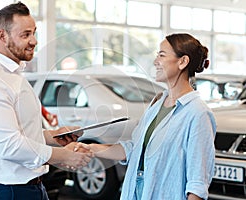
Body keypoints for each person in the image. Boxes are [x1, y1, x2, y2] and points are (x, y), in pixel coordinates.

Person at [0, 2, 92, 200]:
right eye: (25, 35)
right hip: (4, 190)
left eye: (34, 33)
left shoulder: (12, 74)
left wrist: (51, 135)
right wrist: (63, 156)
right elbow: (9, 145)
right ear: (2, 36)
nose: (34, 41)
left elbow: (16, 130)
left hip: (26, 187)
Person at [87, 33, 216, 200]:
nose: (156, 62)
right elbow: (134, 149)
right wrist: (91, 149)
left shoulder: (198, 113)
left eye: (162, 55)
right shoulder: (157, 104)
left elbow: (197, 182)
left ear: (182, 61)